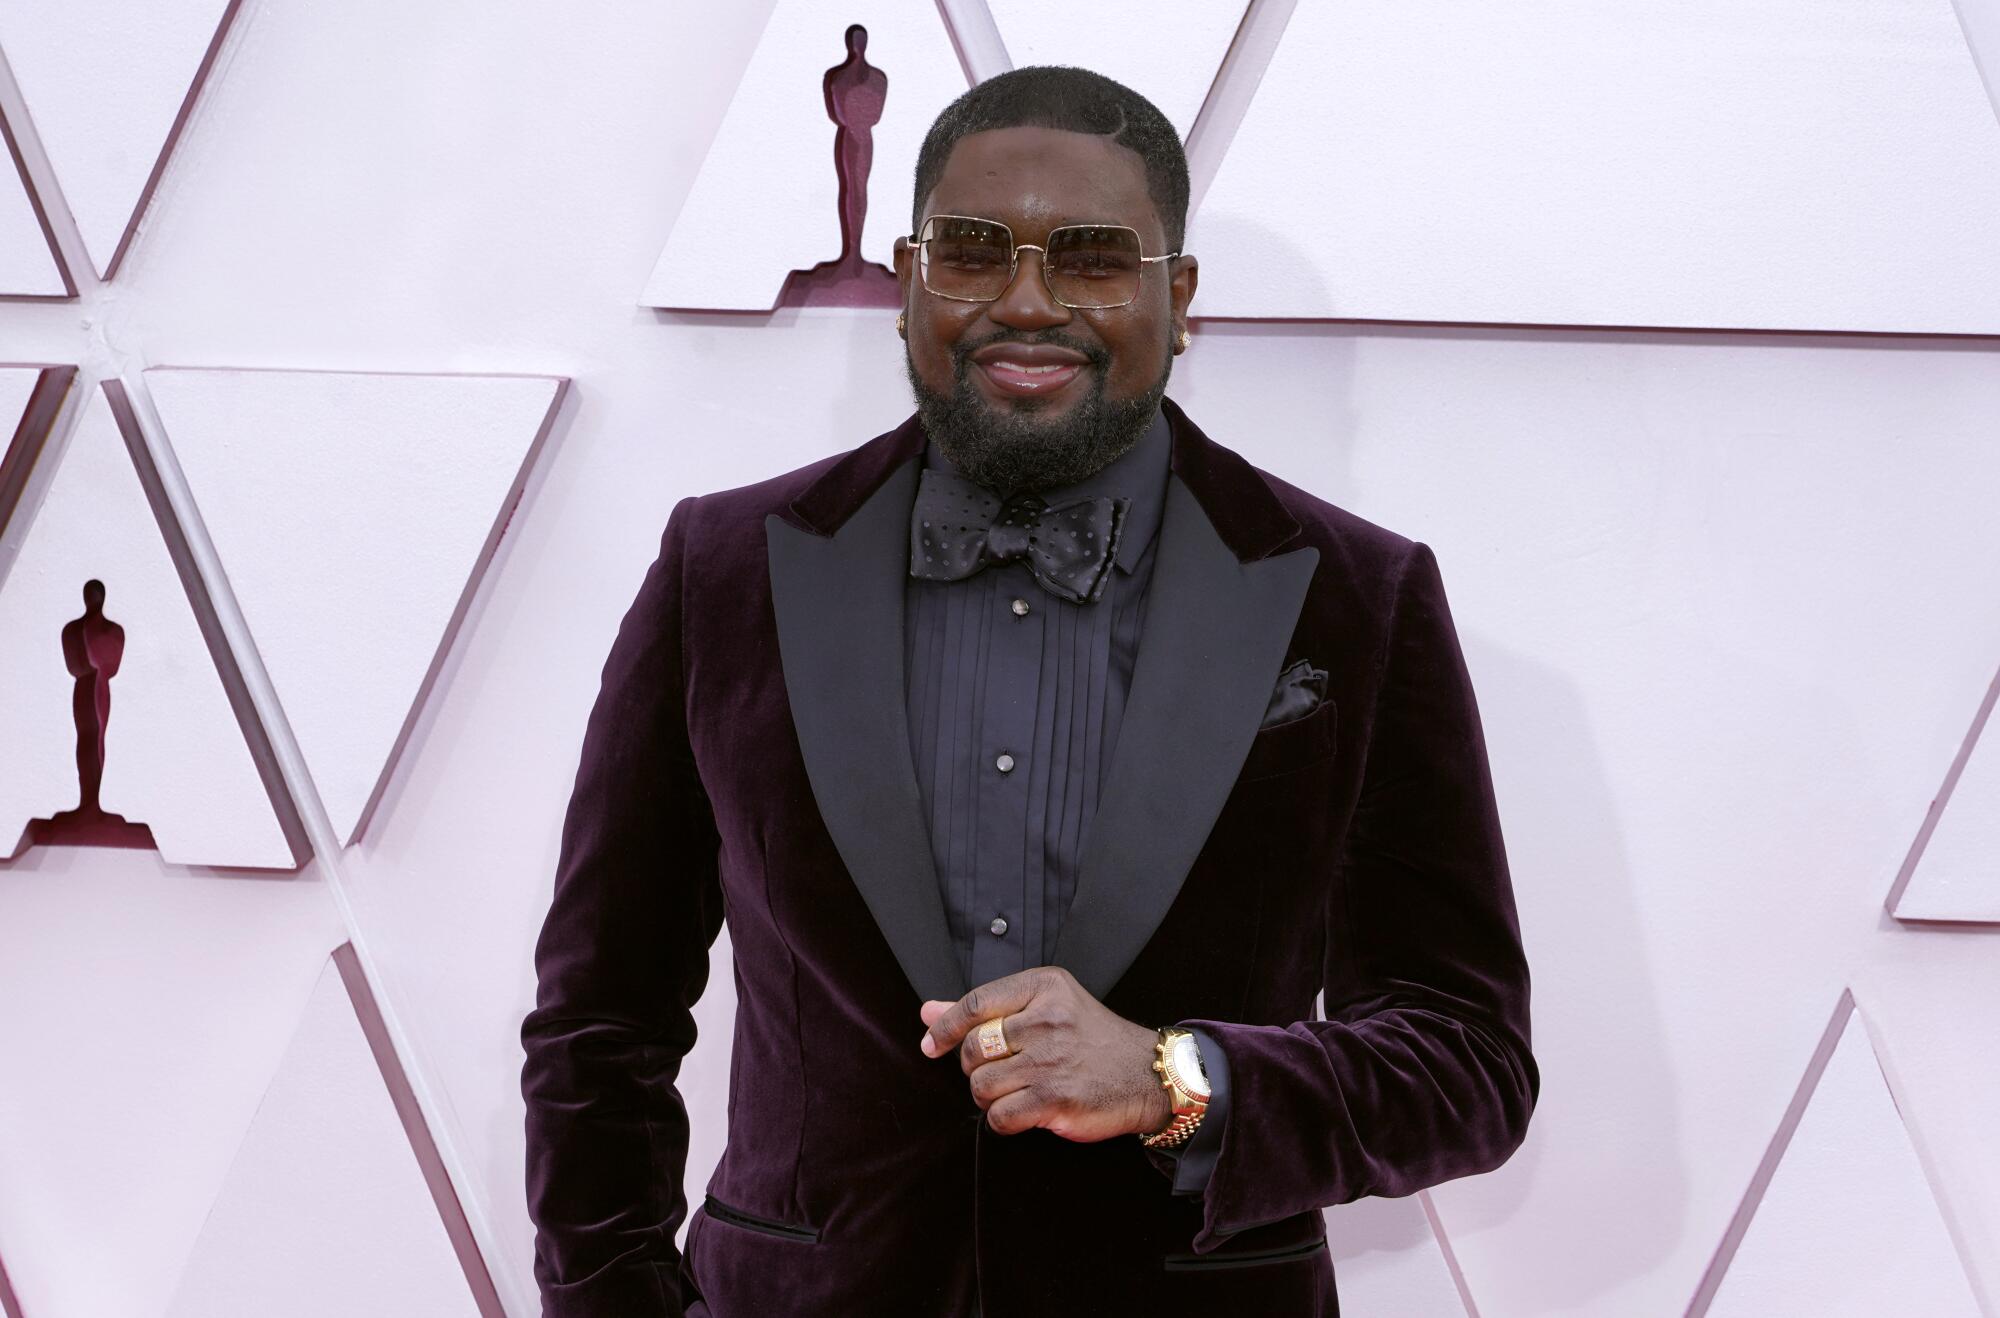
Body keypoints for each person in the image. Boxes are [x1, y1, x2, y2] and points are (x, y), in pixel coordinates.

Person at [520, 65, 1538, 1318]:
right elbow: (599, 1022)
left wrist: (1181, 1079)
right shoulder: (722, 570)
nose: (1027, 300)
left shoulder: (1353, 594)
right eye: (972, 251)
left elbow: (1467, 1062)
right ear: (904, 286)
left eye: (1094, 258)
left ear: (1178, 300)